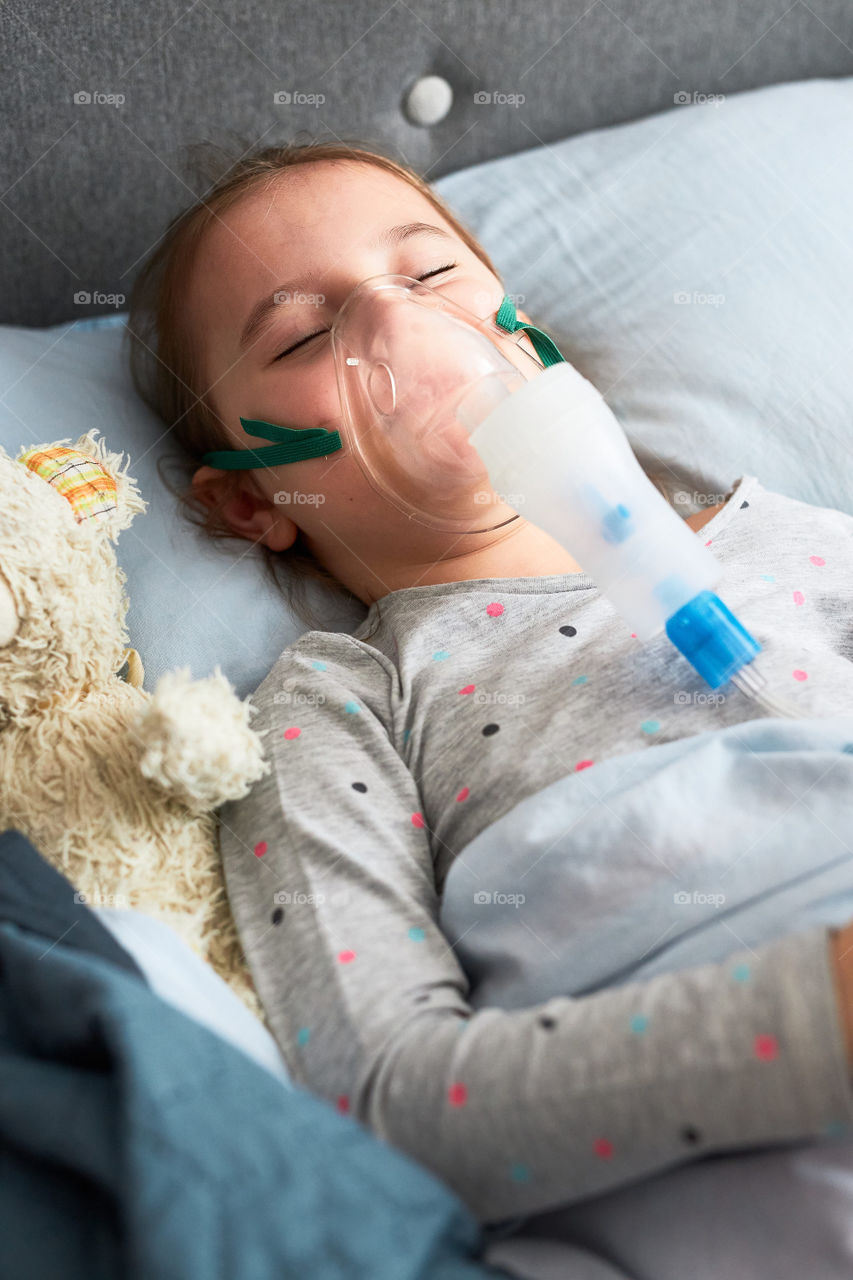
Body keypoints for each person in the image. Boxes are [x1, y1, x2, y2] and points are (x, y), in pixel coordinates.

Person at [127, 139, 853, 1226]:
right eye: (304, 332)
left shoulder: (790, 538)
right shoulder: (339, 701)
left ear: (531, 337)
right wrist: (821, 1013)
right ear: (248, 501)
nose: (396, 326)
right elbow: (386, 1103)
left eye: (428, 276)